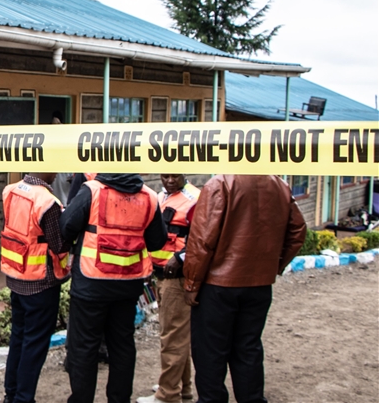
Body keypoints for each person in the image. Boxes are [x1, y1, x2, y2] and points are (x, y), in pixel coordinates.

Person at [183, 175, 306, 403]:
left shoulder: (220, 183)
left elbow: (202, 239)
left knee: (210, 351)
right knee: (248, 349)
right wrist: (274, 266)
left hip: (217, 286)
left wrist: (191, 282)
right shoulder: (280, 185)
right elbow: (298, 231)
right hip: (258, 285)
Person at [60, 173, 167, 403]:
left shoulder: (92, 191)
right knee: (122, 346)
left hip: (91, 285)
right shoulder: (149, 196)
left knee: (84, 349)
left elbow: (66, 225)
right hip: (127, 286)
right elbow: (158, 241)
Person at [0, 172, 72, 403]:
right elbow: (58, 243)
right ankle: (23, 398)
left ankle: (12, 394)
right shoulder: (47, 202)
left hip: (16, 277)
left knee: (19, 337)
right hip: (40, 283)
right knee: (35, 345)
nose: (57, 174)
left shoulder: (10, 190)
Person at [137, 174, 201, 403]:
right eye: (165, 176)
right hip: (161, 275)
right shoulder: (159, 197)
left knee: (172, 337)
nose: (170, 180)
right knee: (177, 335)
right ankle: (180, 388)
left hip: (179, 278)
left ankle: (167, 395)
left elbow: (202, 238)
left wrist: (182, 258)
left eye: (175, 176)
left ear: (186, 174)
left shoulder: (195, 199)